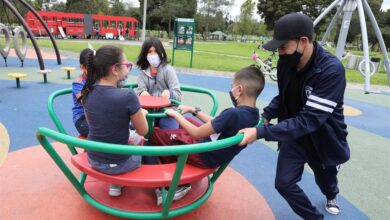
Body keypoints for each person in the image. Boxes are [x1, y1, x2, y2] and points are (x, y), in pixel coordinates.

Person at [238, 13, 350, 220]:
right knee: (283, 183)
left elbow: (309, 120)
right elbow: (284, 96)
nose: (280, 53)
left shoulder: (331, 70)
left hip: (322, 137)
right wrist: (266, 115)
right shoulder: (286, 63)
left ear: (303, 42)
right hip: (293, 134)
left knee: (326, 180)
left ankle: (331, 194)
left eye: (283, 47)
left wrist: (261, 132)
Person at [79, 45, 149, 197]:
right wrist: (141, 114)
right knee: (146, 141)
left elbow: (93, 124)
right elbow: (144, 130)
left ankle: (115, 186)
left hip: (94, 158)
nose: (128, 67)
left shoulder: (87, 93)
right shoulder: (127, 96)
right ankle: (159, 189)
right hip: (119, 163)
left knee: (122, 136)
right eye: (126, 65)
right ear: (115, 69)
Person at [165, 66, 265, 169]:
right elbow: (218, 122)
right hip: (215, 155)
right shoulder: (254, 116)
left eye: (232, 87)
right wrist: (193, 110)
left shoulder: (233, 114)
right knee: (188, 120)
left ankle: (175, 180)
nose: (231, 90)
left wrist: (175, 114)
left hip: (202, 154)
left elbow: (197, 132)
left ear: (239, 90)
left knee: (158, 135)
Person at [136, 37, 181, 129]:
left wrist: (170, 93)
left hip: (167, 110)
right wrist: (142, 93)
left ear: (161, 52)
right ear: (145, 54)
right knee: (134, 126)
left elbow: (178, 95)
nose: (153, 55)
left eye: (156, 51)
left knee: (170, 129)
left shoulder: (168, 70)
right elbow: (140, 90)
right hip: (148, 111)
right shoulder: (143, 72)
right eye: (150, 52)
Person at [71, 48, 92, 137]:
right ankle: (90, 150)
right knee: (102, 132)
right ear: (82, 67)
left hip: (97, 116)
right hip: (81, 119)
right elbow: (86, 103)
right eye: (90, 69)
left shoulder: (99, 79)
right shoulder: (78, 83)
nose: (93, 72)